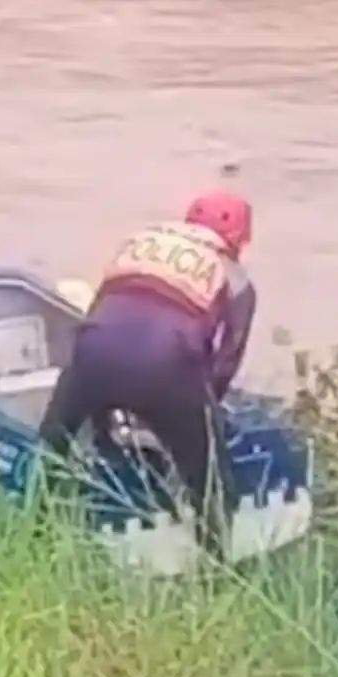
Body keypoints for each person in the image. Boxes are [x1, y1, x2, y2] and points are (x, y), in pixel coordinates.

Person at [37, 188, 258, 559]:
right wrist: (199, 418)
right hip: (166, 366)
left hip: (93, 354)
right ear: (239, 238)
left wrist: (107, 411)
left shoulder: (137, 244)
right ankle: (217, 565)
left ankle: (35, 531)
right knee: (211, 482)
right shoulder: (235, 278)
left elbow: (100, 311)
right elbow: (225, 361)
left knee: (51, 448)